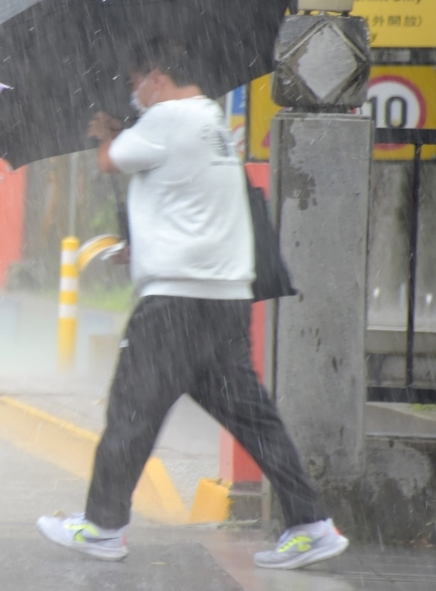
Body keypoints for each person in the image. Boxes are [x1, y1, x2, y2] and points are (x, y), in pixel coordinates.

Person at [36, 37, 349, 571]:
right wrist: (142, 247)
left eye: (137, 84)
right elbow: (190, 205)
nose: (136, 95)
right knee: (256, 421)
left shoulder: (167, 119)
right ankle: (312, 523)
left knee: (131, 412)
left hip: (175, 306)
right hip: (221, 303)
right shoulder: (212, 123)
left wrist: (106, 131)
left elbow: (111, 161)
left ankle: (102, 527)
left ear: (156, 76)